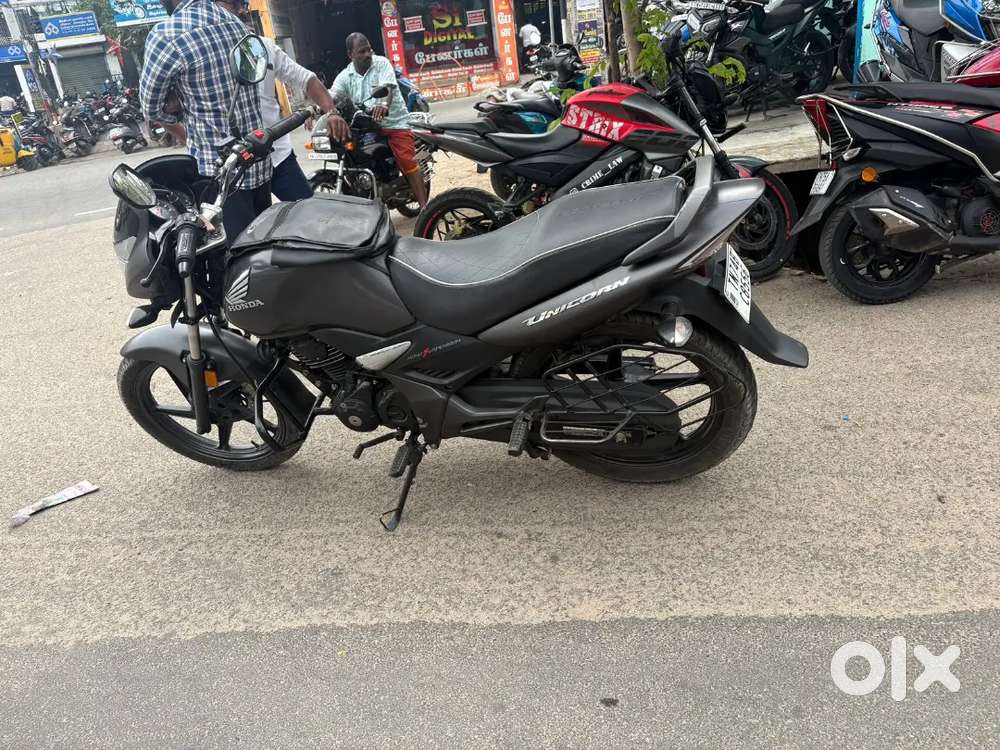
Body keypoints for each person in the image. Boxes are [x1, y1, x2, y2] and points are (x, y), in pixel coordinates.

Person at [215, 0, 348, 200]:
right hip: (234, 166)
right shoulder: (206, 53)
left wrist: (332, 112)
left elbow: (307, 79)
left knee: (307, 212)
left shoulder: (264, 47)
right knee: (253, 220)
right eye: (232, 4)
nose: (241, 10)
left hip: (277, 155)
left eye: (242, 4)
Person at [330, 33, 428, 208]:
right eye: (362, 51)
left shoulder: (381, 63)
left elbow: (387, 88)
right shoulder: (345, 76)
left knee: (407, 160)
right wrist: (318, 110)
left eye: (369, 50)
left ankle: (426, 209)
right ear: (350, 55)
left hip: (394, 123)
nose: (368, 54)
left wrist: (383, 104)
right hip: (365, 128)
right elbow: (332, 95)